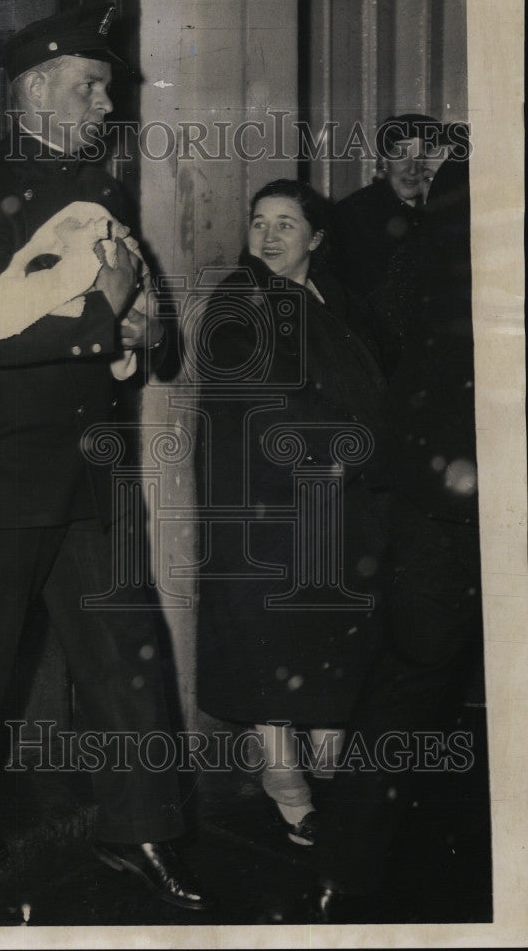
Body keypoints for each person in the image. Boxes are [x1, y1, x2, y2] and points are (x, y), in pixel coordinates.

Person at [0, 3, 209, 912]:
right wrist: (102, 314)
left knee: (127, 651)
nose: (103, 104)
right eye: (88, 87)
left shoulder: (104, 187)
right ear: (33, 90)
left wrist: (147, 329)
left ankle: (141, 831)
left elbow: (138, 310)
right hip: (0, 466)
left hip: (92, 465)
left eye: (107, 89)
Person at [303, 154, 484, 924]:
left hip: (425, 485)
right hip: (472, 488)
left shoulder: (432, 234)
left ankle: (343, 873)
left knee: (408, 681)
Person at [196, 179, 390, 846]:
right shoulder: (238, 297)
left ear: (316, 238)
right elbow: (261, 393)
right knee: (268, 641)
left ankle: (330, 769)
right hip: (264, 500)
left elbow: (378, 389)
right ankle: (284, 780)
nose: (269, 235)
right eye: (258, 222)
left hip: (339, 494)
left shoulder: (339, 301)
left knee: (332, 628)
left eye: (286, 223)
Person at [331, 113, 446, 375]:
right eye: (401, 155)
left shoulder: (438, 213)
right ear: (383, 161)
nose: (412, 168)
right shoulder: (356, 214)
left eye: (421, 156)